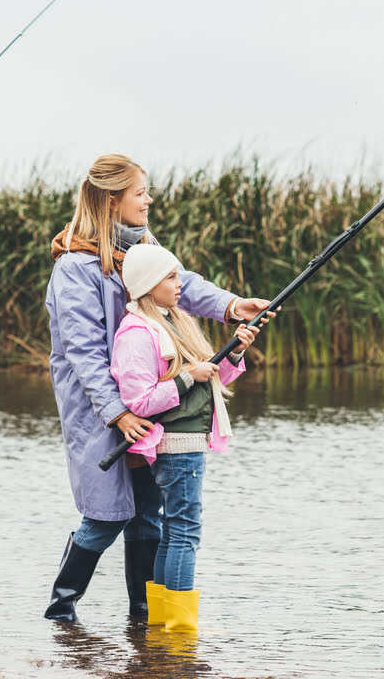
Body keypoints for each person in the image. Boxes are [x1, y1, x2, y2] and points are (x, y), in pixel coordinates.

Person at [43, 153, 272, 623]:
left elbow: (181, 285)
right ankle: (61, 610)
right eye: (140, 193)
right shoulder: (74, 267)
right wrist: (118, 413)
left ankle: (142, 619)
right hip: (100, 405)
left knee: (149, 511)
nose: (148, 201)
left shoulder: (143, 245)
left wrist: (232, 306)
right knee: (106, 514)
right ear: (112, 200)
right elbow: (83, 353)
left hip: (151, 397)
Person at [112, 244, 257, 632]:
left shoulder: (174, 321)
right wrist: (188, 376)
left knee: (172, 532)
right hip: (176, 445)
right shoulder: (137, 333)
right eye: (172, 277)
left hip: (188, 442)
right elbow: (139, 401)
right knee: (184, 532)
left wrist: (235, 353)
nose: (181, 284)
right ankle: (179, 631)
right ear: (149, 284)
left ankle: (161, 626)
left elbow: (212, 381)